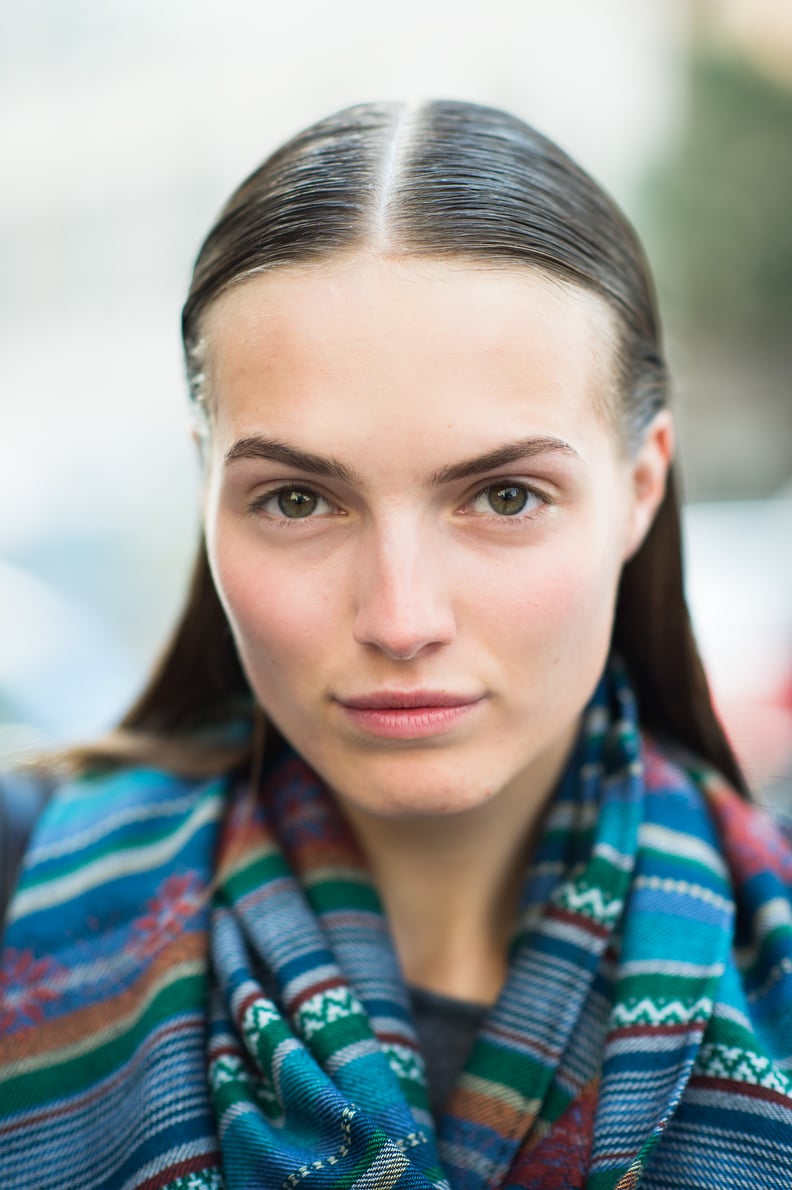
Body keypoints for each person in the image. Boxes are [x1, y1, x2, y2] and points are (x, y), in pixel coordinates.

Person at [1, 99, 791, 1190]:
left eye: (505, 494)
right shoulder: (18, 881)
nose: (402, 616)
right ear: (207, 491)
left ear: (639, 487)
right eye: (297, 500)